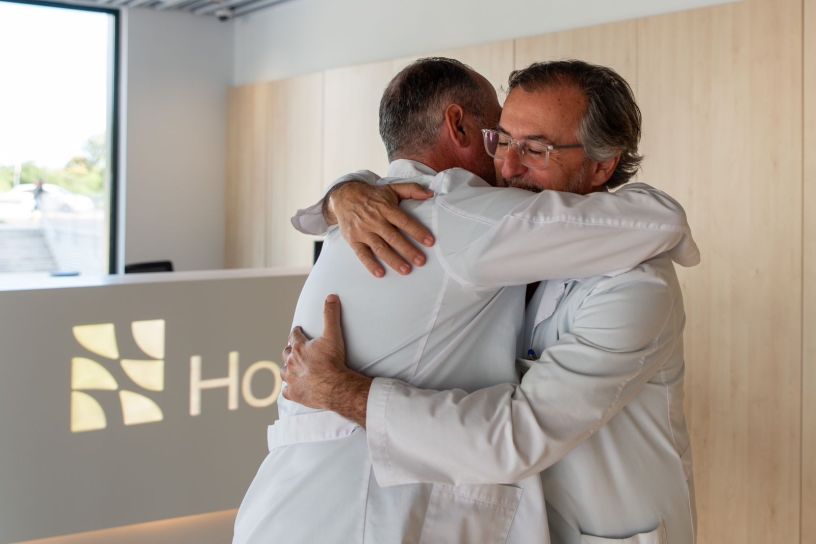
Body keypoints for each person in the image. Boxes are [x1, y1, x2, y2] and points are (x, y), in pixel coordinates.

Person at [234, 58, 698, 543]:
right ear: (460, 126)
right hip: (350, 513)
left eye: (535, 148)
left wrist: (344, 392)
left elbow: (516, 435)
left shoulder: (636, 285)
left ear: (602, 164)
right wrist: (342, 196)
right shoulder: (459, 222)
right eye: (502, 140)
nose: (507, 166)